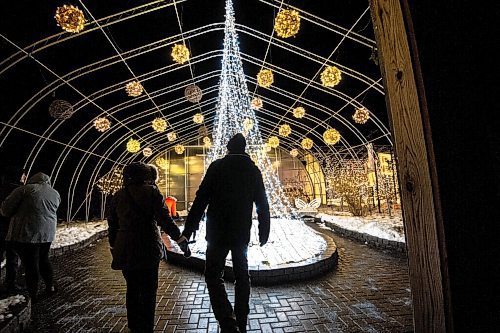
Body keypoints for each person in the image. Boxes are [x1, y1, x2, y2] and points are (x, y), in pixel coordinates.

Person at [182, 133, 270, 333]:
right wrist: (263, 230)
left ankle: (227, 321)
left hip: (217, 232)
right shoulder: (253, 170)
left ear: (228, 148)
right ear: (244, 148)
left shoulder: (217, 167)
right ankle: (241, 318)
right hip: (240, 233)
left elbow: (200, 199)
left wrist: (188, 229)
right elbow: (262, 204)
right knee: (242, 275)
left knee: (213, 276)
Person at [107, 162, 191, 332]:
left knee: (132, 287)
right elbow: (165, 220)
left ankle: (134, 326)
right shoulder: (152, 192)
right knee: (148, 289)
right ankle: (146, 327)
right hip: (148, 245)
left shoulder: (118, 195)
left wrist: (114, 244)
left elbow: (112, 224)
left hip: (126, 247)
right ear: (145, 176)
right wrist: (180, 239)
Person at [0, 172, 60, 302]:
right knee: (43, 260)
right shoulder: (54, 193)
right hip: (47, 234)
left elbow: (5, 210)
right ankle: (50, 286)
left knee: (30, 264)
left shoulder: (24, 190)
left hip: (28, 233)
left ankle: (32, 293)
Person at [0, 168, 22, 293]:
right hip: (10, 227)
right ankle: (11, 284)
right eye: (23, 175)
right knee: (12, 255)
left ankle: (11, 283)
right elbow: (7, 210)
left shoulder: (5, 187)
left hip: (5, 227)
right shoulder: (17, 190)